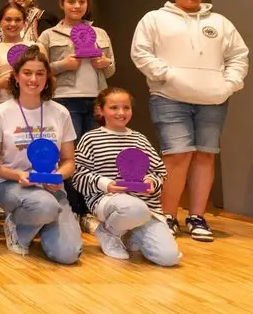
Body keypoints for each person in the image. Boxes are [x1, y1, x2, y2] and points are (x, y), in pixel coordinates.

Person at [130, 0, 249, 241]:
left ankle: (197, 217)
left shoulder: (220, 22)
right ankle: (167, 216)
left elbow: (238, 55)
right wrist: (168, 75)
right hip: (169, 97)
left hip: (213, 100)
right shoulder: (154, 19)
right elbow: (141, 52)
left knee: (206, 155)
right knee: (178, 155)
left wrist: (229, 84)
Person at [0, 47, 82, 264]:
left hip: (51, 188)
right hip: (11, 184)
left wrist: (58, 176)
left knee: (68, 254)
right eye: (27, 73)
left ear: (47, 78)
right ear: (16, 76)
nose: (33, 79)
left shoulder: (60, 112)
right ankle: (17, 226)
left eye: (40, 73)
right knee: (44, 206)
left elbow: (69, 161)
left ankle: (37, 221)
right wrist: (17, 175)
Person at [73, 87, 181, 266]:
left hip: (147, 208)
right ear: (100, 110)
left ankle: (130, 233)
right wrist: (106, 184)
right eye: (114, 107)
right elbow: (78, 176)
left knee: (169, 258)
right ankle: (108, 231)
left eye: (126, 107)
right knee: (134, 209)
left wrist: (151, 182)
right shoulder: (90, 139)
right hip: (108, 201)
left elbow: (159, 171)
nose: (121, 113)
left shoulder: (140, 139)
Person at [39, 0, 115, 140]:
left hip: (97, 100)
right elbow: (40, 70)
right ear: (62, 4)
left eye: (82, 1)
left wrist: (105, 63)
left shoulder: (100, 33)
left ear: (87, 4)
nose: (77, 6)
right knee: (70, 148)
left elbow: (110, 71)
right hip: (64, 98)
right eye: (71, 1)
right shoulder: (49, 35)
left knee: (95, 147)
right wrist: (63, 65)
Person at [0, 2, 46, 109]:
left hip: (34, 106)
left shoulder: (37, 47)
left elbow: (49, 79)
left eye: (17, 20)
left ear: (24, 23)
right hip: (4, 106)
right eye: (8, 20)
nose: (13, 24)